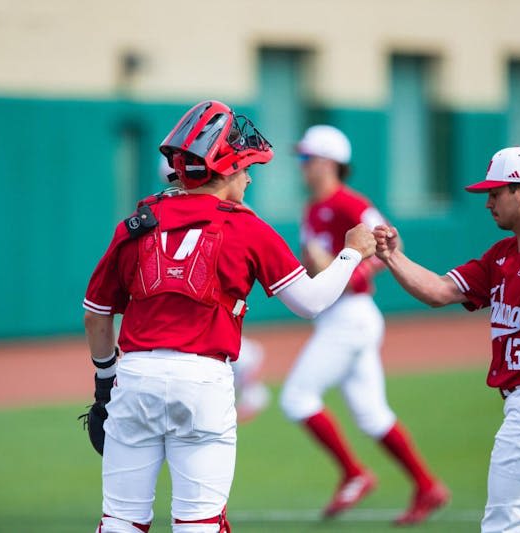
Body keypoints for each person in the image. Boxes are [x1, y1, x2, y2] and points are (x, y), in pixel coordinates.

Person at [83, 100, 377, 533]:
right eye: (244, 168)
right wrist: (352, 252)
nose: (249, 176)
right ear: (223, 169)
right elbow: (311, 302)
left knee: (121, 522)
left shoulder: (138, 221)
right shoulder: (246, 226)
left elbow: (96, 314)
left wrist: (106, 380)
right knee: (199, 523)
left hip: (136, 378)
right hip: (203, 383)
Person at [373, 146, 520, 532]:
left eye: (496, 193)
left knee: (505, 525)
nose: (488, 202)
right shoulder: (505, 254)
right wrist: (393, 257)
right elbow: (441, 291)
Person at [280, 125, 450, 524]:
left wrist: (353, 275)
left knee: (296, 398)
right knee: (372, 414)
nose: (302, 166)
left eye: (307, 158)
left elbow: (393, 244)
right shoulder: (311, 208)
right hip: (337, 318)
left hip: (351, 317)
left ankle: (354, 474)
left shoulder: (348, 202)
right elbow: (317, 265)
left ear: (328, 162)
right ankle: (428, 486)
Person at [158, 157, 271, 424]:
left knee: (206, 336)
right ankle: (250, 378)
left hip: (215, 286)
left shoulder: (234, 209)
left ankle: (248, 366)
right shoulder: (174, 205)